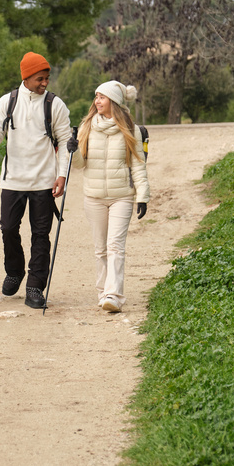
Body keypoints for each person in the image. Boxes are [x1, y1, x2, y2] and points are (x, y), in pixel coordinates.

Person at [0, 52, 72, 309]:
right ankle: (15, 271)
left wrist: (62, 174)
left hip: (43, 181)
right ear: (26, 77)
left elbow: (65, 141)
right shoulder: (7, 102)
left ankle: (34, 286)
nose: (45, 83)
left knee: (41, 235)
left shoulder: (55, 105)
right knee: (8, 228)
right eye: (40, 78)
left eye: (47, 78)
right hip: (13, 180)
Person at [67, 80, 149, 313]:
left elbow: (138, 164)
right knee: (100, 248)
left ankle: (114, 295)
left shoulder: (130, 128)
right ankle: (103, 292)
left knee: (115, 246)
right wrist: (72, 151)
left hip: (121, 196)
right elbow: (80, 164)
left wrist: (142, 196)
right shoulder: (87, 127)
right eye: (96, 97)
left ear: (113, 101)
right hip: (93, 197)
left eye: (102, 97)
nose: (97, 101)